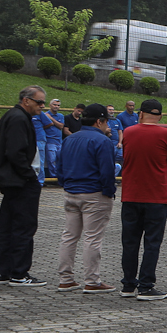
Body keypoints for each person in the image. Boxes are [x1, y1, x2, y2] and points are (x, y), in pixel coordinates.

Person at [0, 86, 48, 286]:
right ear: (26, 100)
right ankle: (19, 273)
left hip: (11, 181)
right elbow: (16, 152)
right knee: (23, 227)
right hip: (20, 181)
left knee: (7, 227)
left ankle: (3, 271)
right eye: (39, 102)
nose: (42, 106)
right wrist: (29, 176)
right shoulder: (19, 119)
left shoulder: (13, 116)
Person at [55, 104, 118, 293]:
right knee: (92, 238)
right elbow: (107, 171)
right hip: (94, 193)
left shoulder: (70, 139)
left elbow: (59, 165)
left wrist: (65, 183)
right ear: (99, 121)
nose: (108, 126)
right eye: (106, 121)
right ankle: (92, 280)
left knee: (69, 236)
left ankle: (65, 278)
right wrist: (109, 191)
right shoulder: (103, 141)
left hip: (71, 192)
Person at [118, 98, 167, 301]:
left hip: (131, 194)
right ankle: (146, 285)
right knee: (152, 242)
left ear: (140, 114)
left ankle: (127, 284)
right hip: (156, 196)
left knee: (129, 242)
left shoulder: (129, 132)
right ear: (160, 116)